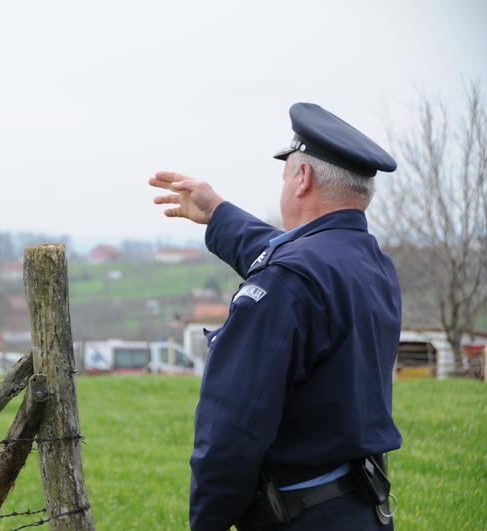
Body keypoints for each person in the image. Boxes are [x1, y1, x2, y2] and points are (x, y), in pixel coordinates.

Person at [149, 103, 403, 531]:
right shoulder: (370, 262)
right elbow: (295, 259)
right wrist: (218, 213)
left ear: (302, 178)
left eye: (285, 176)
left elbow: (231, 433)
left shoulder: (289, 281)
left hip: (298, 517)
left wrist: (205, 522)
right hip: (363, 511)